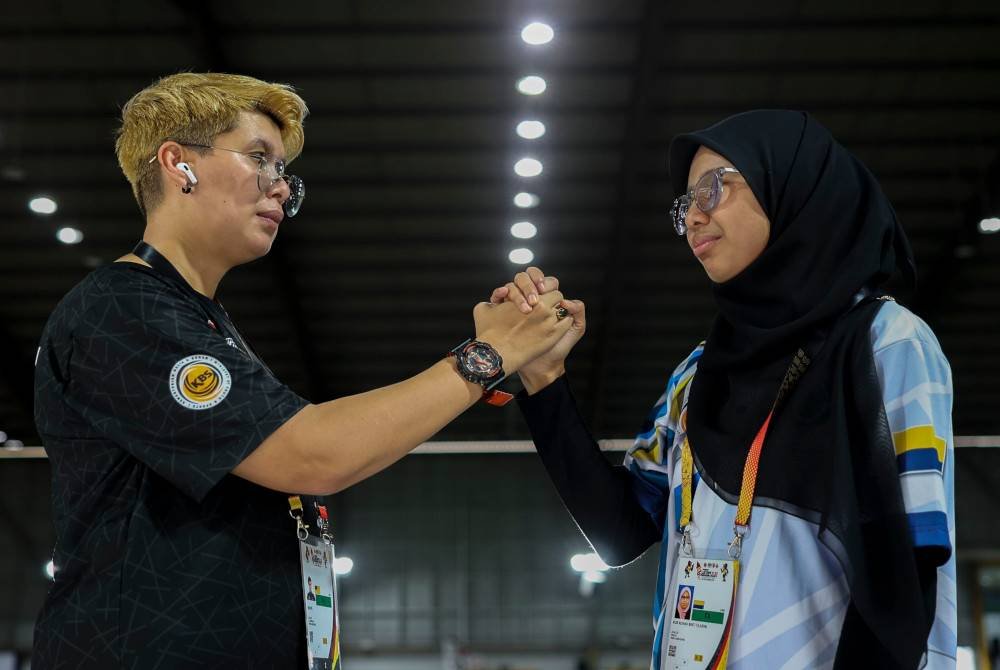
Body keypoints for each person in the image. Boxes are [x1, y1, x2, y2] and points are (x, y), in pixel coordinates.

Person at [32, 72, 573, 669]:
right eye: (260, 160)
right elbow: (313, 453)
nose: (281, 190)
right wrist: (486, 356)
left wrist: (500, 354)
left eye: (284, 172)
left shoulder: (200, 322)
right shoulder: (122, 309)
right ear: (177, 164)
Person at [495, 111, 956, 668]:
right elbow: (619, 532)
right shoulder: (698, 375)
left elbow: (904, 567)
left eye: (714, 187)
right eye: (683, 204)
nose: (692, 215)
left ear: (792, 183)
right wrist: (544, 381)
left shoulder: (884, 343)